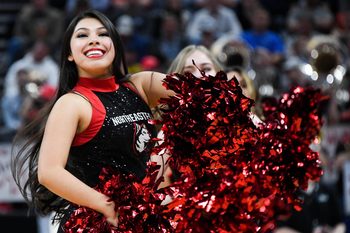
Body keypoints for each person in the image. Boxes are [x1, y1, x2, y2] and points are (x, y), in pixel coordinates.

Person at [11, 10, 174, 232]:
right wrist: (106, 206)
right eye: (82, 35)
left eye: (102, 34)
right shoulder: (72, 103)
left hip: (140, 218)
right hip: (96, 224)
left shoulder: (140, 85)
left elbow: (198, 95)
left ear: (115, 46)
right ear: (69, 54)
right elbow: (49, 172)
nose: (94, 39)